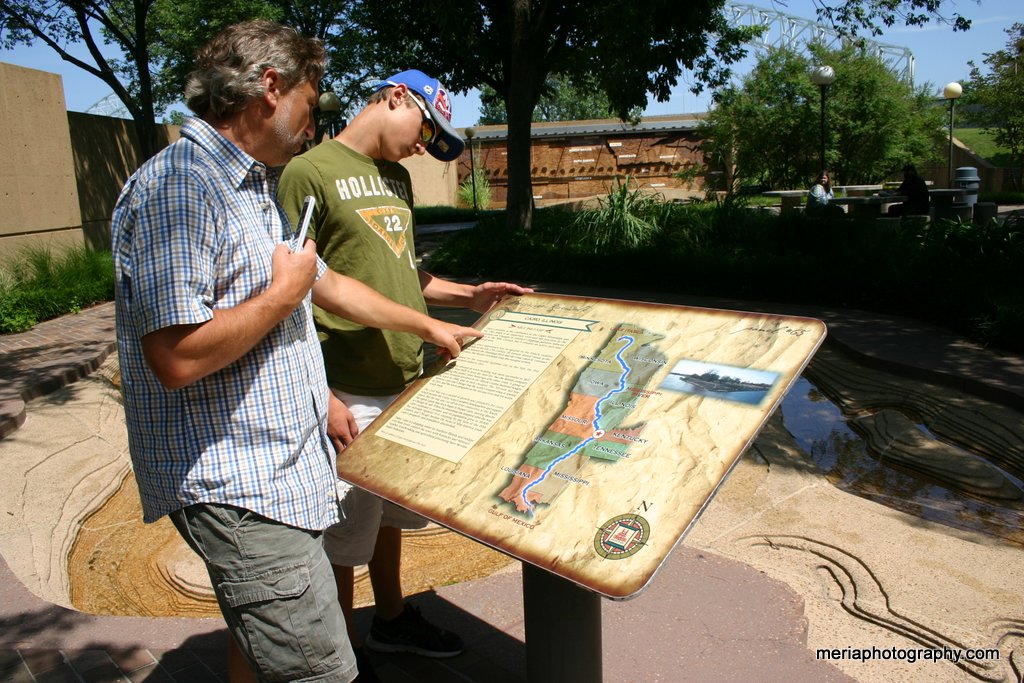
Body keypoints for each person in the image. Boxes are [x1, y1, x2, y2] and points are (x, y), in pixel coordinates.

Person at [111, 23, 481, 683]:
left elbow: (326, 282)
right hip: (238, 485)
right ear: (270, 87)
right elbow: (175, 357)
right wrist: (283, 296)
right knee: (324, 670)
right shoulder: (180, 187)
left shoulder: (250, 187)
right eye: (310, 104)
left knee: (265, 650)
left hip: (278, 474)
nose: (312, 124)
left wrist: (432, 328)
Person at [278, 69, 531, 671]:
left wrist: (468, 295)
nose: (423, 147)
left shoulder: (395, 178)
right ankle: (343, 656)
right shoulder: (307, 172)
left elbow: (399, 272)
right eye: (425, 130)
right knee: (341, 534)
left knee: (387, 514)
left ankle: (390, 620)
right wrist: (320, 394)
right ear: (396, 97)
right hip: (347, 381)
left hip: (403, 378)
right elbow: (290, 291)